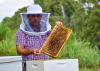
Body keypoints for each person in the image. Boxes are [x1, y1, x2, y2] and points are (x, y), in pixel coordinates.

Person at [16, 4, 62, 71]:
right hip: (29, 66)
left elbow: (55, 42)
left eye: (38, 15)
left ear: (41, 17)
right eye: (33, 16)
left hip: (46, 64)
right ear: (28, 17)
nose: (36, 18)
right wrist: (31, 51)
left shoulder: (46, 28)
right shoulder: (21, 31)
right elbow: (19, 50)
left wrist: (58, 28)